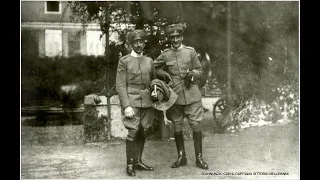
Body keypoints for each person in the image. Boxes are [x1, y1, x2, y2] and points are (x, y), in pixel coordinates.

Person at [154, 23, 209, 169]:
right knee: (177, 127)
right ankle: (181, 157)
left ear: (182, 37)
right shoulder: (166, 55)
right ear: (169, 39)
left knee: (196, 126)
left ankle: (199, 158)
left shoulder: (190, 52)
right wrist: (163, 74)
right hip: (175, 97)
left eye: (178, 37)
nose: (175, 40)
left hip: (192, 96)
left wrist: (194, 74)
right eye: (172, 37)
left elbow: (200, 70)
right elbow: (154, 67)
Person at [116, 29, 156, 176]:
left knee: (143, 131)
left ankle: (138, 161)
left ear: (144, 43)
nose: (139, 45)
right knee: (133, 132)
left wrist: (155, 91)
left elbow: (154, 81)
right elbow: (120, 85)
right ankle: (130, 164)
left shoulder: (149, 61)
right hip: (131, 102)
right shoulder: (124, 61)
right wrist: (126, 105)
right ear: (131, 44)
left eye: (141, 41)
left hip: (147, 102)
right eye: (135, 42)